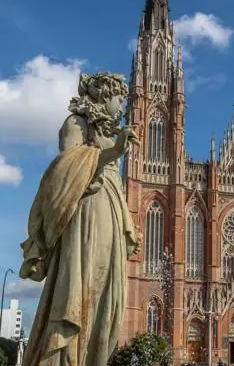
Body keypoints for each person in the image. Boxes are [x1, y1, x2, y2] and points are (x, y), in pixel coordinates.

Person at [19, 72, 141, 365]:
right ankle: (65, 357)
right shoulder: (76, 123)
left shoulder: (111, 132)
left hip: (109, 211)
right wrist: (112, 152)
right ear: (103, 94)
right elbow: (67, 168)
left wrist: (114, 149)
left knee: (108, 296)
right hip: (86, 213)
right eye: (119, 98)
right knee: (81, 286)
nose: (122, 105)